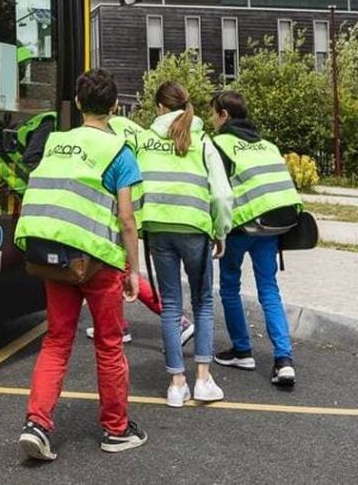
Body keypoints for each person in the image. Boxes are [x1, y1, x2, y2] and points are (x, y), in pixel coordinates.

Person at [14, 69, 148, 461]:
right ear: (115, 106)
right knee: (109, 344)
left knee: (57, 340)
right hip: (97, 261)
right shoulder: (120, 152)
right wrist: (133, 270)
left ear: (77, 103)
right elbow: (127, 219)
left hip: (52, 253)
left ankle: (37, 424)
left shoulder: (56, 143)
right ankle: (116, 429)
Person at [135, 82, 234, 407]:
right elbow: (221, 195)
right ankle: (203, 380)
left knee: (171, 306)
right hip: (194, 228)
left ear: (160, 108)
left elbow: (133, 186)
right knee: (203, 302)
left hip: (158, 228)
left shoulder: (144, 140)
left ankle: (176, 384)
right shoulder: (202, 140)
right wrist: (221, 231)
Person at [209, 91, 304, 388]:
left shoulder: (219, 144)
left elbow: (218, 190)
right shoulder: (267, 144)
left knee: (229, 287)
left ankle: (242, 350)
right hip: (274, 224)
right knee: (269, 289)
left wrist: (216, 231)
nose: (211, 119)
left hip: (241, 226)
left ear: (224, 115)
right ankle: (284, 360)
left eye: (213, 113)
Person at [85, 113, 195, 347]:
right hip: (134, 199)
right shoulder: (128, 125)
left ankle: (179, 322)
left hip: (119, 203)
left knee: (123, 270)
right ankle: (120, 325)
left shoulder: (107, 129)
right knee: (117, 270)